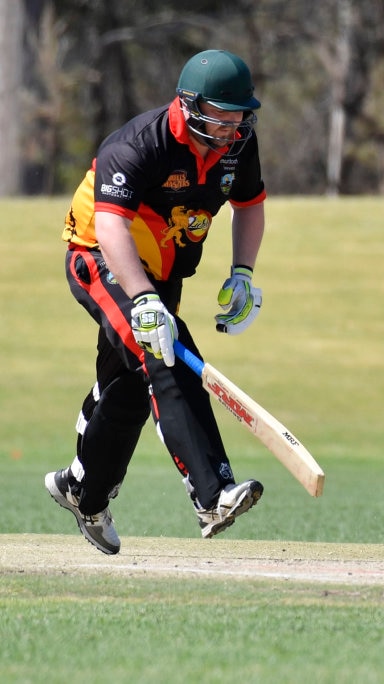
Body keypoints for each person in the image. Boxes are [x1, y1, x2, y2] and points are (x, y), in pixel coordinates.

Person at [46, 49, 270, 555]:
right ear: (189, 105)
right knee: (166, 353)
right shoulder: (137, 144)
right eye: (221, 112)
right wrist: (144, 300)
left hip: (164, 272)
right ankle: (212, 495)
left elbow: (250, 205)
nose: (234, 124)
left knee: (127, 388)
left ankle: (84, 489)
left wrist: (243, 274)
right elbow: (109, 226)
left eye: (240, 113)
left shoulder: (239, 143)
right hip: (100, 259)